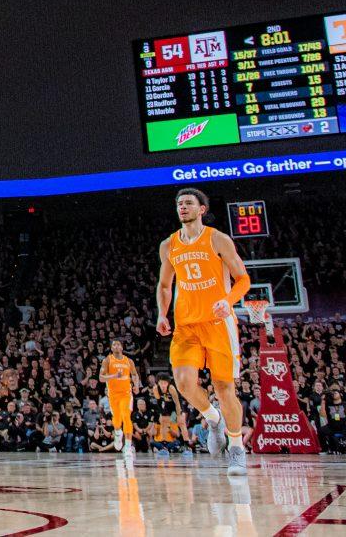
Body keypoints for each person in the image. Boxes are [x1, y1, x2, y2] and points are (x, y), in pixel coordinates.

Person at [156, 188, 251, 477]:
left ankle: (236, 447)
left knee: (224, 389)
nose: (182, 207)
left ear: (202, 209)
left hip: (218, 324)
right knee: (183, 383)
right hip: (186, 325)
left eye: (188, 204)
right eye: (179, 204)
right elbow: (164, 285)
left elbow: (243, 279)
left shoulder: (218, 239)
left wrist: (228, 300)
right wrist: (162, 312)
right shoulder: (169, 245)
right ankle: (212, 418)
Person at [99, 339, 140, 461]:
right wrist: (114, 376)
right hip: (113, 395)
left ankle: (127, 446)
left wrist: (136, 385)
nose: (116, 346)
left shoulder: (129, 361)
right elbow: (101, 378)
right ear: (112, 348)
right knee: (117, 420)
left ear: (122, 347)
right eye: (113, 344)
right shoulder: (107, 360)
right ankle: (117, 433)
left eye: (118, 344)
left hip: (126, 394)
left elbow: (135, 375)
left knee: (126, 416)